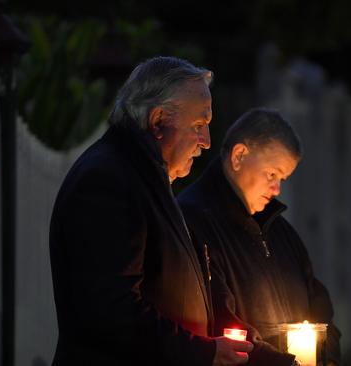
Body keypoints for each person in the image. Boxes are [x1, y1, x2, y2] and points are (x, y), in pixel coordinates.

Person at [49, 56, 253, 365]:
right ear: (158, 121)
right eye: (199, 125)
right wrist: (204, 352)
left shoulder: (147, 178)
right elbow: (112, 314)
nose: (207, 142)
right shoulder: (109, 180)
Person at [178, 108, 342, 366]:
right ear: (239, 156)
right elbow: (217, 320)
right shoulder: (192, 223)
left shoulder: (280, 232)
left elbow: (319, 305)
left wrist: (327, 357)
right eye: (272, 174)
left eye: (283, 179)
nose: (277, 189)